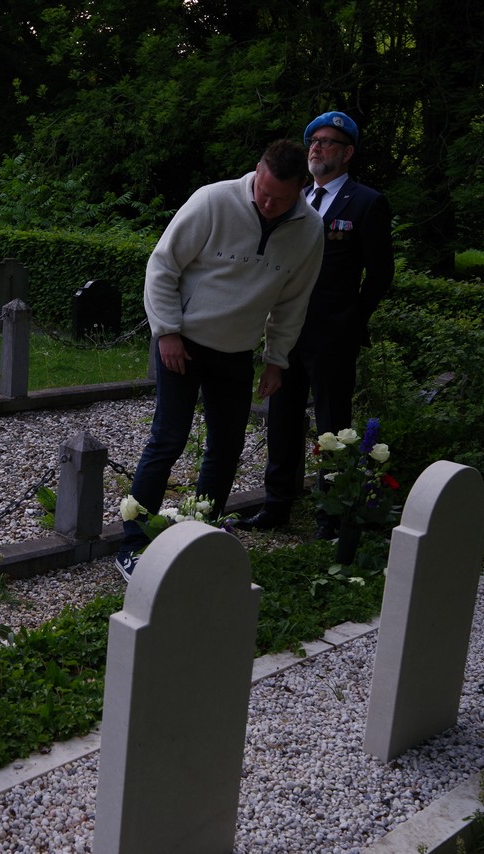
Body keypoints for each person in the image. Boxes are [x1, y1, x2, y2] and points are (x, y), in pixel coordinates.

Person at [116, 139, 325, 580]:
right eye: (263, 192)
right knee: (168, 439)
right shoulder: (213, 201)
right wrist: (167, 331)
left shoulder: (309, 230)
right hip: (183, 342)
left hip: (236, 351)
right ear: (256, 172)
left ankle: (200, 534)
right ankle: (132, 543)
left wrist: (276, 360)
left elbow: (293, 303)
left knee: (226, 448)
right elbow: (163, 266)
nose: (268, 204)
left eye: (280, 199)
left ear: (301, 189)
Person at [236, 111, 395, 536]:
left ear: (347, 153)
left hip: (333, 335)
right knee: (281, 420)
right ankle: (276, 506)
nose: (317, 148)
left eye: (328, 142)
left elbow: (381, 274)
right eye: (314, 141)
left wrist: (353, 319)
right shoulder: (296, 197)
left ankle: (331, 514)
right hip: (287, 330)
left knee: (333, 426)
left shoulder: (366, 202)